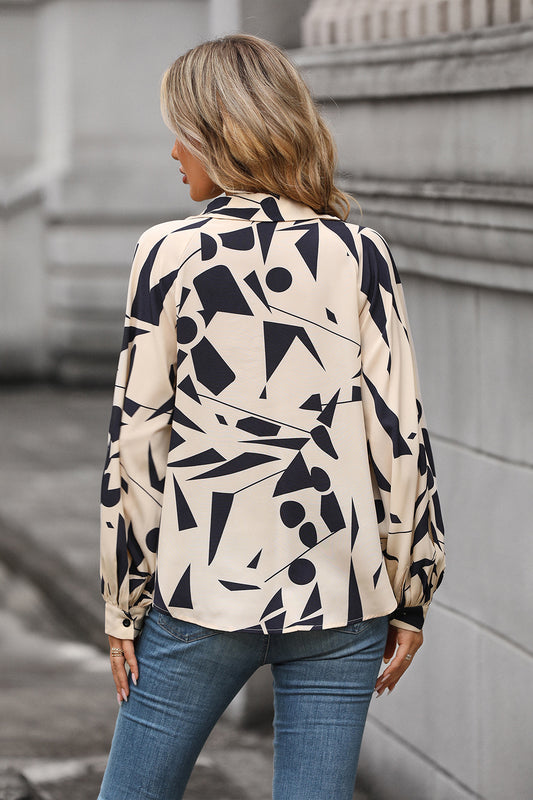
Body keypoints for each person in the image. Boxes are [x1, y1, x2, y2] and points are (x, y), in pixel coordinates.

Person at [98, 34, 445, 800]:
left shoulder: (168, 252)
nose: (173, 151)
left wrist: (124, 602)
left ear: (220, 134)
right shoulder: (359, 253)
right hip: (341, 596)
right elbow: (398, 437)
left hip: (202, 592)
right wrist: (410, 589)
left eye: (182, 131)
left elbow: (138, 440)